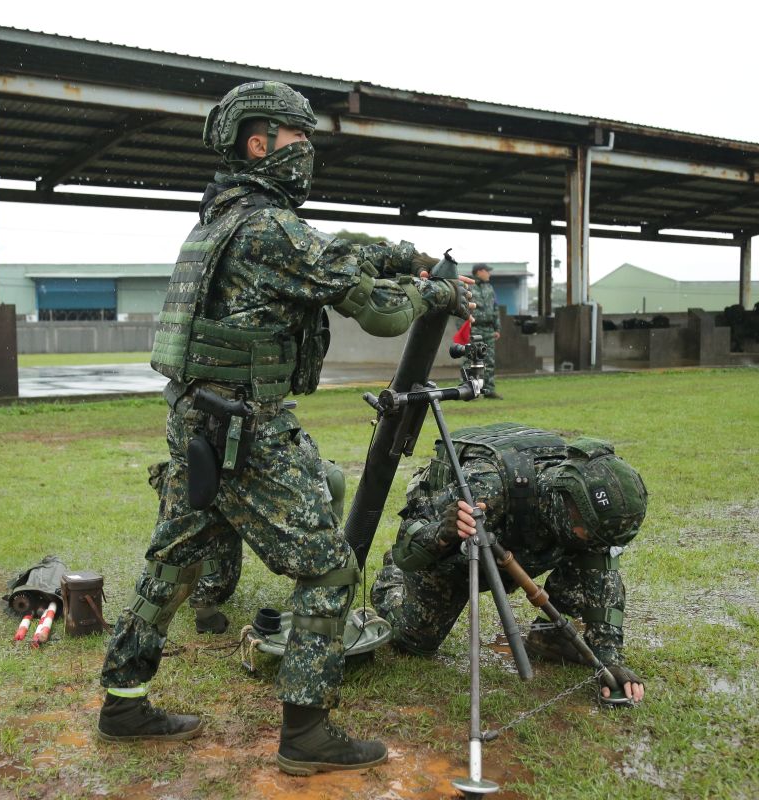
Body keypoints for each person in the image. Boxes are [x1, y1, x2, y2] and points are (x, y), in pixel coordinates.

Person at [96, 80, 474, 774]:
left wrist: (396, 251)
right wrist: (437, 292)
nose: (306, 157)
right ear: (259, 142)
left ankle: (122, 701)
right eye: (298, 142)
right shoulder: (271, 228)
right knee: (330, 567)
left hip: (198, 420)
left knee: (176, 561)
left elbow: (335, 248)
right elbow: (387, 315)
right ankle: (307, 734)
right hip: (247, 430)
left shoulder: (221, 219)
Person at [371, 422, 648, 703]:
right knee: (415, 642)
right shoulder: (487, 486)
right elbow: (408, 545)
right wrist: (444, 532)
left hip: (516, 550)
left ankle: (550, 637)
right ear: (567, 503)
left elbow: (603, 576)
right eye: (588, 532)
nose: (593, 541)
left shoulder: (585, 516)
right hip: (450, 557)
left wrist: (610, 659)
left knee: (588, 553)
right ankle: (389, 579)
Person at [466, 263, 501, 397]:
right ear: (479, 271)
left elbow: (495, 308)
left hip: (489, 330)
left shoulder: (490, 288)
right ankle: (468, 390)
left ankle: (489, 390)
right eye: (487, 271)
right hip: (474, 329)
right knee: (471, 360)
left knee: (489, 361)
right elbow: (462, 309)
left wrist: (497, 328)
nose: (489, 274)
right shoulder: (469, 287)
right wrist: (464, 331)